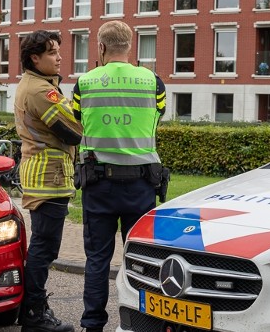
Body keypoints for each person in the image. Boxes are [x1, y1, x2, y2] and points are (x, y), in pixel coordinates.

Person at [72, 20, 166, 332]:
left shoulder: (84, 83)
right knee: (141, 259)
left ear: (100, 47)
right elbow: (159, 114)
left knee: (97, 258)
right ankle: (142, 321)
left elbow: (75, 117)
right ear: (130, 46)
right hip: (141, 185)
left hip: (98, 185)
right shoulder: (153, 82)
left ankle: (93, 324)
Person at [14, 30, 83, 332]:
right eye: (53, 52)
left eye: (58, 51)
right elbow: (73, 131)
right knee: (44, 249)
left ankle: (32, 309)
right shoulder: (41, 91)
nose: (59, 57)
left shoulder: (37, 85)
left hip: (47, 176)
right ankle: (34, 314)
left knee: (44, 247)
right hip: (47, 179)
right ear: (34, 58)